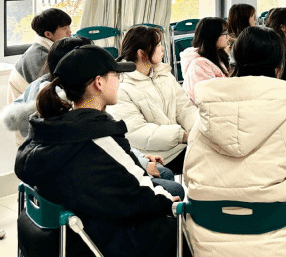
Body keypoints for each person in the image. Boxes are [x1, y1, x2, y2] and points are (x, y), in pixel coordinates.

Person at [15, 44, 180, 257]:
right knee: (177, 225)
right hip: (93, 241)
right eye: (116, 75)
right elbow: (139, 191)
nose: (119, 81)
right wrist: (167, 203)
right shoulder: (98, 137)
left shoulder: (48, 130)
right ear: (99, 82)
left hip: (64, 237)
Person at [183, 26, 286, 256]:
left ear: (234, 65)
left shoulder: (202, 122)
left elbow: (189, 179)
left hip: (208, 245)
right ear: (278, 69)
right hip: (282, 246)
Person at [2, 36, 184, 197]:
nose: (118, 81)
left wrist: (140, 158)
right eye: (113, 75)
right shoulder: (83, 121)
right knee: (172, 187)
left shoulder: (43, 114)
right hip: (92, 198)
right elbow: (110, 155)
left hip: (64, 194)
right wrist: (143, 165)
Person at [109, 26, 198, 174]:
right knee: (211, 158)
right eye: (157, 45)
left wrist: (199, 129)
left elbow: (184, 108)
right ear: (142, 53)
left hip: (179, 145)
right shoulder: (122, 86)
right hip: (155, 155)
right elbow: (136, 132)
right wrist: (181, 136)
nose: (162, 48)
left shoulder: (163, 73)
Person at [7, 8, 72, 104]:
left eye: (69, 27)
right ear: (48, 34)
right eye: (64, 28)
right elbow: (52, 93)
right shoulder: (42, 58)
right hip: (26, 108)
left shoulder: (44, 49)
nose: (69, 32)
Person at [181, 17, 231, 103]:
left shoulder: (219, 56)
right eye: (225, 33)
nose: (228, 37)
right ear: (213, 36)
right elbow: (207, 98)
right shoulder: (198, 65)